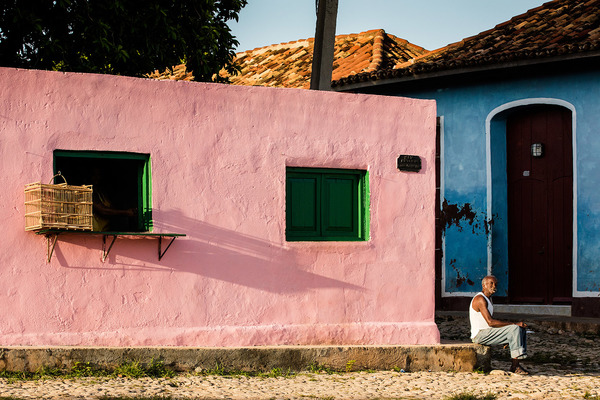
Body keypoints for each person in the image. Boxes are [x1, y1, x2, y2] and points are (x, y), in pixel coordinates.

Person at [470, 275, 530, 374]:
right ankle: (515, 367)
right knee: (515, 328)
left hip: (488, 332)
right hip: (480, 335)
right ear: (484, 285)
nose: (494, 286)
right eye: (491, 283)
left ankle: (516, 364)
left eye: (495, 284)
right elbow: (490, 322)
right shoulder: (480, 299)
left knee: (520, 329)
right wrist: (514, 323)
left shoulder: (489, 299)